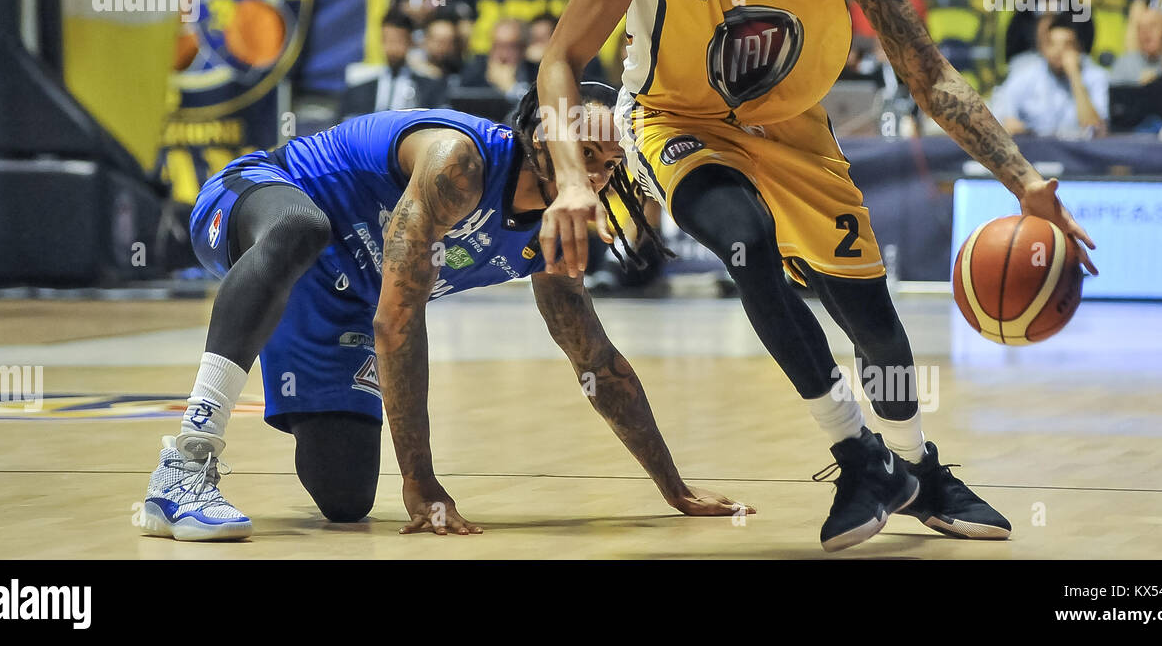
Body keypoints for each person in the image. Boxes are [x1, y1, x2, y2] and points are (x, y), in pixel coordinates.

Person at [535, 0, 1096, 552]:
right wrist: (571, 181)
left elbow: (929, 77)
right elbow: (559, 57)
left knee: (876, 327)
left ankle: (918, 468)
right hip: (675, 119)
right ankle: (854, 450)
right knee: (745, 239)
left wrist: (1023, 179)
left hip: (794, 129)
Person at [140, 84, 748, 539]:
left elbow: (593, 358)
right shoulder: (458, 164)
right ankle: (185, 465)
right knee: (303, 228)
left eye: (606, 163)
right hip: (258, 199)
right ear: (541, 138)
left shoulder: (554, 230)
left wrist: (674, 487)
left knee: (345, 497)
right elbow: (397, 320)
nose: (592, 174)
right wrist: (421, 480)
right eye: (582, 152)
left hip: (341, 297)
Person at [991, 14, 1110, 136]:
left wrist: (1075, 76)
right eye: (1052, 44)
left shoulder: (1097, 77)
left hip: (1079, 151)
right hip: (1038, 149)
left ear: (1079, 49)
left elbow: (1096, 129)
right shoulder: (1025, 76)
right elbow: (1003, 120)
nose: (1059, 51)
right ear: (1043, 48)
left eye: (1067, 44)